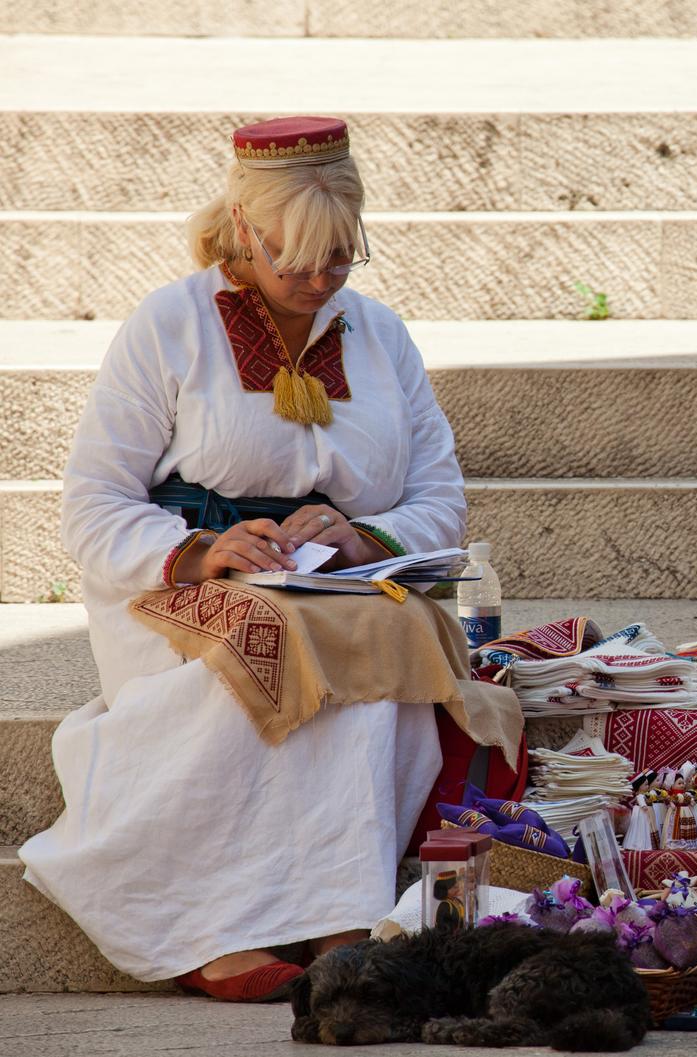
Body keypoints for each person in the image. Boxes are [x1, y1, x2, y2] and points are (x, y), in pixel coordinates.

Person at [19, 117, 467, 1001]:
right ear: (242, 233)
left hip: (333, 578)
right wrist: (201, 549)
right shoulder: (169, 326)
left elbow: (441, 497)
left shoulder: (380, 335)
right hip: (183, 579)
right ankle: (208, 920)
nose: (318, 279)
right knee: (268, 633)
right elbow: (94, 505)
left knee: (385, 633)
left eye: (340, 257)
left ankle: (345, 912)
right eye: (293, 258)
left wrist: (362, 537)